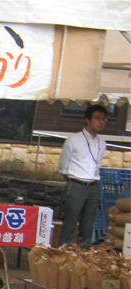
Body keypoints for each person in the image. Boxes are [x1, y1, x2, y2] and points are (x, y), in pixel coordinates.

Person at [57, 104, 108, 246]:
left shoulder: (102, 142)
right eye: (97, 118)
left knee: (88, 223)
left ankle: (83, 252)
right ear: (87, 119)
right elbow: (63, 166)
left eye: (103, 119)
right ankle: (63, 251)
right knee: (70, 221)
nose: (101, 122)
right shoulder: (73, 139)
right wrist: (73, 181)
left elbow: (97, 164)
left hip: (94, 185)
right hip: (76, 184)